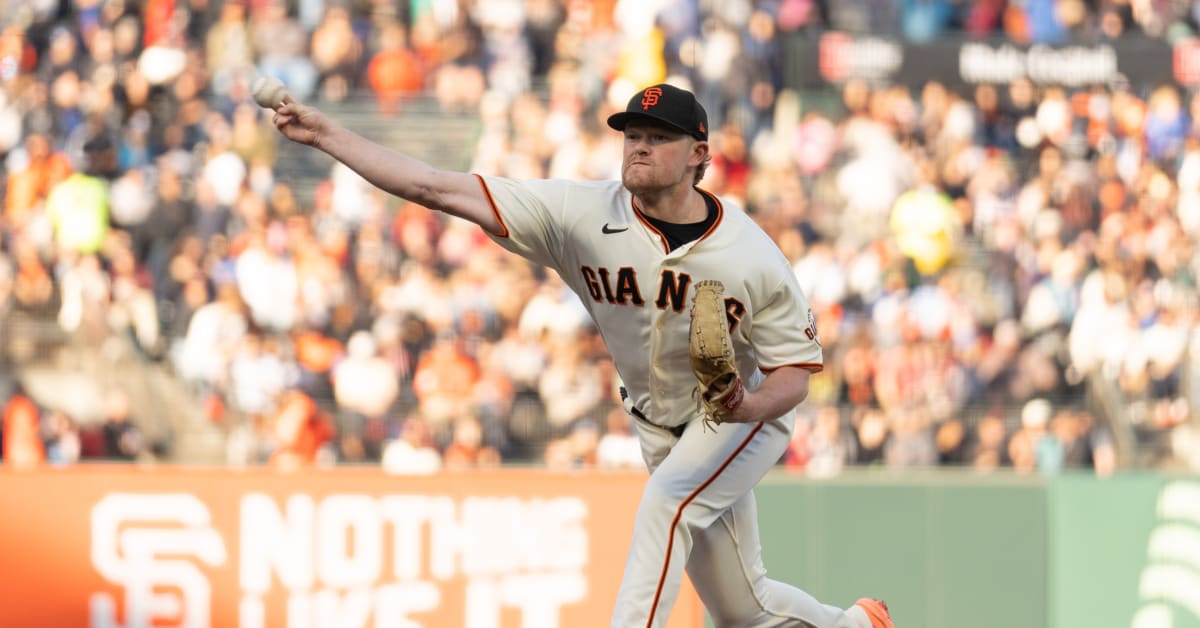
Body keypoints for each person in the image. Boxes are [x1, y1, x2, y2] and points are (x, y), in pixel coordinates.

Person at [269, 82, 894, 628]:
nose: (639, 146)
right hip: (655, 423)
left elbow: (796, 373)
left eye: (659, 136)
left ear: (700, 156)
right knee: (741, 611)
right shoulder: (581, 215)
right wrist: (327, 135)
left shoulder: (751, 255)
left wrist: (748, 403)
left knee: (666, 504)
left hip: (736, 416)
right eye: (632, 135)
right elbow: (436, 188)